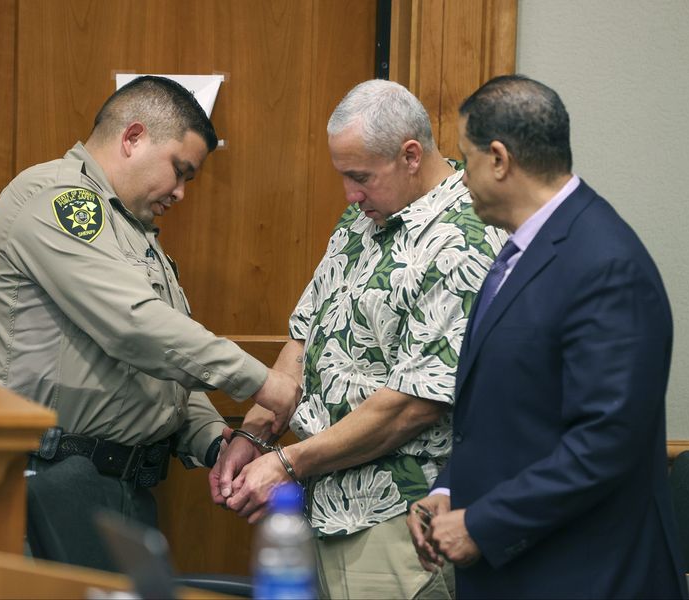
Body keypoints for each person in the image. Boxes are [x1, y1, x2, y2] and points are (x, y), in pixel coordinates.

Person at [0, 75, 300, 571]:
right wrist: (262, 383)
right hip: (46, 486)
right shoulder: (57, 199)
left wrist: (215, 441)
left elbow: (161, 366)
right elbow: (135, 327)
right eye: (180, 170)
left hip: (119, 490)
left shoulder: (132, 231)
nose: (181, 193)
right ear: (133, 137)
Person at [210, 79, 506, 599]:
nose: (349, 194)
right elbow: (305, 335)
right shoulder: (364, 215)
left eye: (360, 177)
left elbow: (412, 405)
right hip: (322, 506)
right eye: (344, 176)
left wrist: (286, 463)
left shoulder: (466, 235)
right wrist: (255, 432)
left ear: (410, 155)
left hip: (397, 516)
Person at [406, 74, 688, 599]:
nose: (461, 178)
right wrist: (449, 488)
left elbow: (605, 443)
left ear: (498, 159)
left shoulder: (606, 264)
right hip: (520, 572)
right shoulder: (519, 251)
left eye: (465, 159)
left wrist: (483, 523)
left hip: (583, 576)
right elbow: (504, 411)